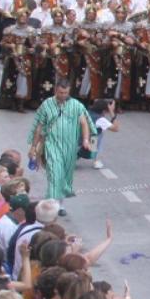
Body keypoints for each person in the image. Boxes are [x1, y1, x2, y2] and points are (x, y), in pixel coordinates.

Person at [27, 78, 91, 213]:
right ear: (55, 90)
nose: (63, 95)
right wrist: (34, 146)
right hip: (51, 146)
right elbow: (39, 127)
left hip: (69, 147)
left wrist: (85, 140)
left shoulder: (75, 105)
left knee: (64, 176)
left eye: (65, 93)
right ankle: (53, 204)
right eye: (61, 92)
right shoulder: (47, 105)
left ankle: (59, 204)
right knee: (56, 173)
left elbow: (84, 123)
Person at [89, 99, 118, 171]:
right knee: (98, 133)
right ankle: (96, 160)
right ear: (104, 110)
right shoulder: (100, 119)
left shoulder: (87, 112)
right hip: (85, 146)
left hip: (76, 142)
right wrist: (112, 112)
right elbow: (116, 128)